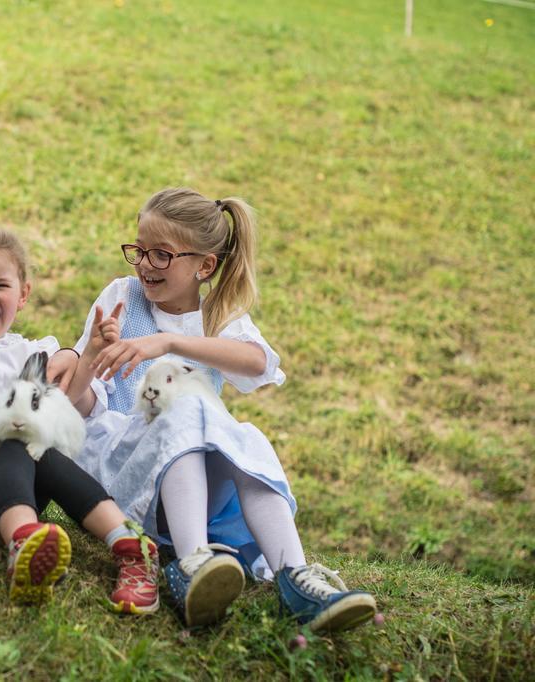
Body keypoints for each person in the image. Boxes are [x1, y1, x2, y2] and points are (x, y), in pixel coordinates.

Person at [66, 187, 377, 632]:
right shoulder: (122, 297)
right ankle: (191, 565)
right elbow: (78, 400)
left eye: (162, 255)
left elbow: (258, 361)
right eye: (139, 250)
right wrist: (92, 352)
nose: (144, 265)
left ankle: (294, 576)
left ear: (204, 266)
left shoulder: (216, 315)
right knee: (187, 404)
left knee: (244, 435)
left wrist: (169, 343)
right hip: (124, 471)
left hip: (190, 493)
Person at [0, 135, 158, 611]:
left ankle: (130, 548)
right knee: (12, 445)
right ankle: (22, 543)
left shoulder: (34, 352)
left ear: (24, 294)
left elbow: (72, 403)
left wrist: (89, 352)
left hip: (23, 483)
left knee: (41, 451)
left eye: (1, 285)